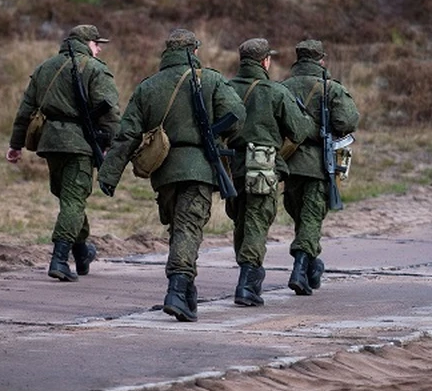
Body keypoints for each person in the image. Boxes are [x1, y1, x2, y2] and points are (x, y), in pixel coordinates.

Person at [97, 28, 245, 322]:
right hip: (200, 167)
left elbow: (127, 135)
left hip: (164, 170)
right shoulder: (211, 80)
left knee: (179, 229)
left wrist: (109, 174)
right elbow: (237, 118)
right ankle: (177, 289)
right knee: (188, 229)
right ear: (194, 51)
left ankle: (185, 291)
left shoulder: (148, 87)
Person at [6, 24, 120, 282]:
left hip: (50, 143)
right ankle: (59, 259)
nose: (99, 48)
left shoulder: (45, 68)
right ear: (86, 43)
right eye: (96, 43)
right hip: (79, 144)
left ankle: (81, 253)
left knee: (70, 199)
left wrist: (16, 144)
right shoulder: (95, 69)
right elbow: (111, 113)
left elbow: (25, 112)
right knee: (73, 201)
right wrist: (114, 145)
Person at [226, 38, 315, 307]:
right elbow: (300, 131)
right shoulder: (275, 92)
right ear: (265, 61)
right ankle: (248, 283)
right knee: (255, 219)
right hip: (262, 166)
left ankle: (246, 272)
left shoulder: (226, 88)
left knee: (240, 219)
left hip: (231, 166)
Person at [281, 39, 359, 296]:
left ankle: (312, 265)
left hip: (290, 163)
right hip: (317, 165)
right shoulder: (330, 88)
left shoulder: (283, 88)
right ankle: (299, 269)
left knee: (301, 217)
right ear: (321, 60)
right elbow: (348, 120)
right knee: (312, 218)